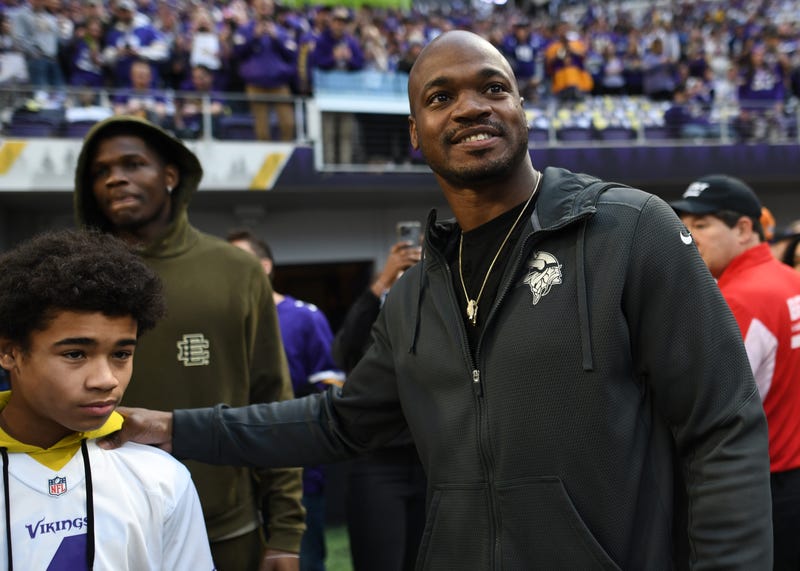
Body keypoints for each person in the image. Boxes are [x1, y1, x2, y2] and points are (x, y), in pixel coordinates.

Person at [100, 30, 773, 569]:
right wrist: (173, 426)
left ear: (522, 111)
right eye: (441, 95)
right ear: (417, 135)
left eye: (493, 87)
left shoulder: (631, 229)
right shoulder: (415, 293)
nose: (471, 105)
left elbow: (721, 424)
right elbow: (340, 422)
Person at [72, 115, 304, 571]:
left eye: (133, 164)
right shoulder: (70, 278)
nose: (115, 177)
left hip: (227, 530)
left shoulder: (235, 271)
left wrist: (285, 533)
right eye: (100, 171)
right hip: (98, 529)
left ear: (171, 176)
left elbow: (270, 397)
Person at [0, 228, 214, 570]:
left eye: (121, 354)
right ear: (10, 352)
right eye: (74, 354)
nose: (106, 380)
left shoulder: (160, 478)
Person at [670, 174, 800, 569]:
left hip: (763, 484)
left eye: (702, 225)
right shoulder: (790, 279)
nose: (689, 237)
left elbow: (713, 412)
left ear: (744, 229)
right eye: (685, 226)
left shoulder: (737, 300)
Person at [227, 228, 344, 571]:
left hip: (296, 468)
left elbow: (332, 385)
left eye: (238, 260)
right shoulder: (222, 321)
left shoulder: (304, 316)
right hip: (234, 471)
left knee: (302, 559)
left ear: (263, 266)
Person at [331, 239, 426, 571]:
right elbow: (343, 351)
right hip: (378, 463)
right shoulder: (377, 324)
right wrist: (384, 280)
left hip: (432, 465)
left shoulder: (441, 315)